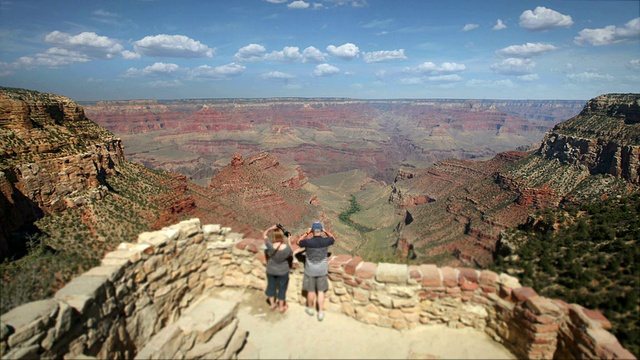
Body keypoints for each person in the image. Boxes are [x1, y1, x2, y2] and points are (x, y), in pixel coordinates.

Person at [296, 221, 335, 321]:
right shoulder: (325, 241)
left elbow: (298, 242)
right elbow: (333, 238)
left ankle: (310, 309)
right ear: (320, 230)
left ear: (313, 230)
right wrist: (325, 231)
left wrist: (307, 233)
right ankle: (320, 312)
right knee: (321, 291)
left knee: (311, 291)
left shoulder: (308, 242)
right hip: (322, 270)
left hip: (310, 270)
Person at [263, 224, 293, 313]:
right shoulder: (287, 248)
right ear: (282, 236)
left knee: (271, 287)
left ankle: (272, 305)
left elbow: (264, 234)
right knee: (282, 289)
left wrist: (270, 228)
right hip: (283, 271)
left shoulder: (270, 246)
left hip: (271, 270)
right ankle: (281, 307)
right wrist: (289, 239)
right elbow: (291, 252)